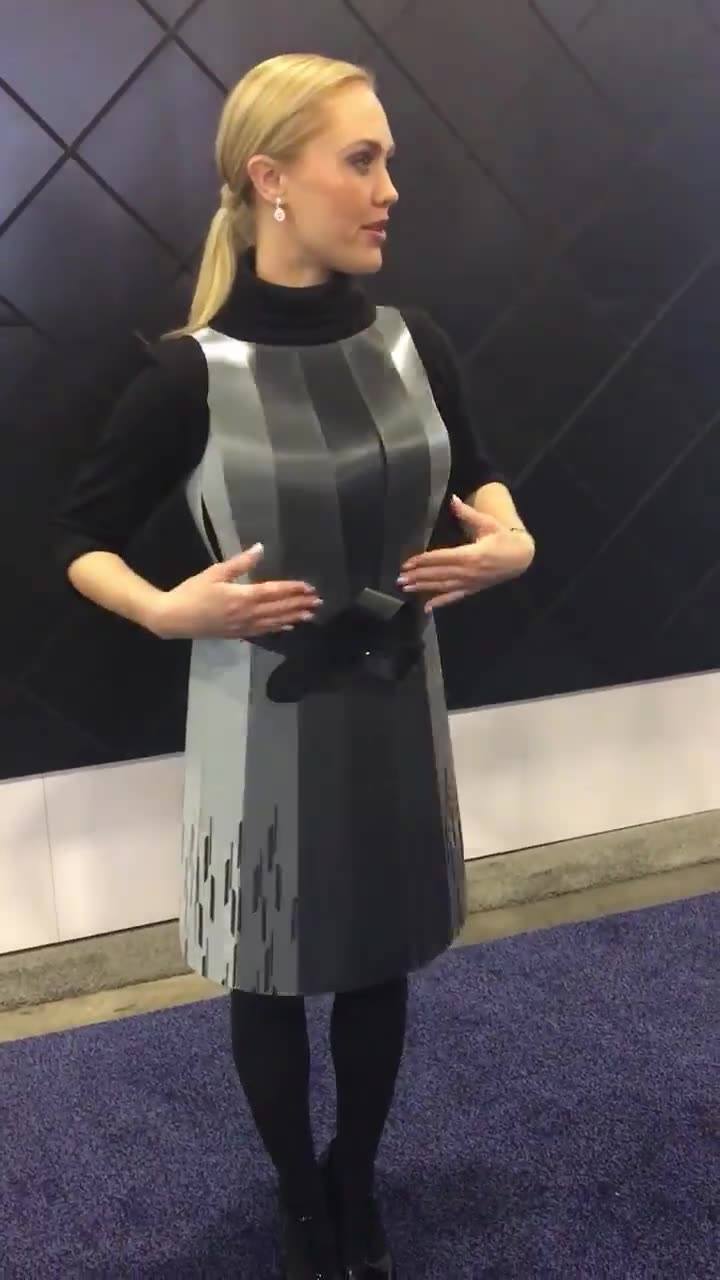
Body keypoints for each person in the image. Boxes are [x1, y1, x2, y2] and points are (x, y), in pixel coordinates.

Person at [53, 52, 535, 1280]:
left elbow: (481, 477)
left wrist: (512, 538)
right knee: (267, 966)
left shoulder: (416, 343)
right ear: (271, 179)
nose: (389, 189)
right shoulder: (190, 372)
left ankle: (355, 1179)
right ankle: (299, 1200)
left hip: (396, 696)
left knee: (379, 953)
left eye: (388, 161)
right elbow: (78, 537)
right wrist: (163, 609)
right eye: (360, 160)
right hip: (256, 716)